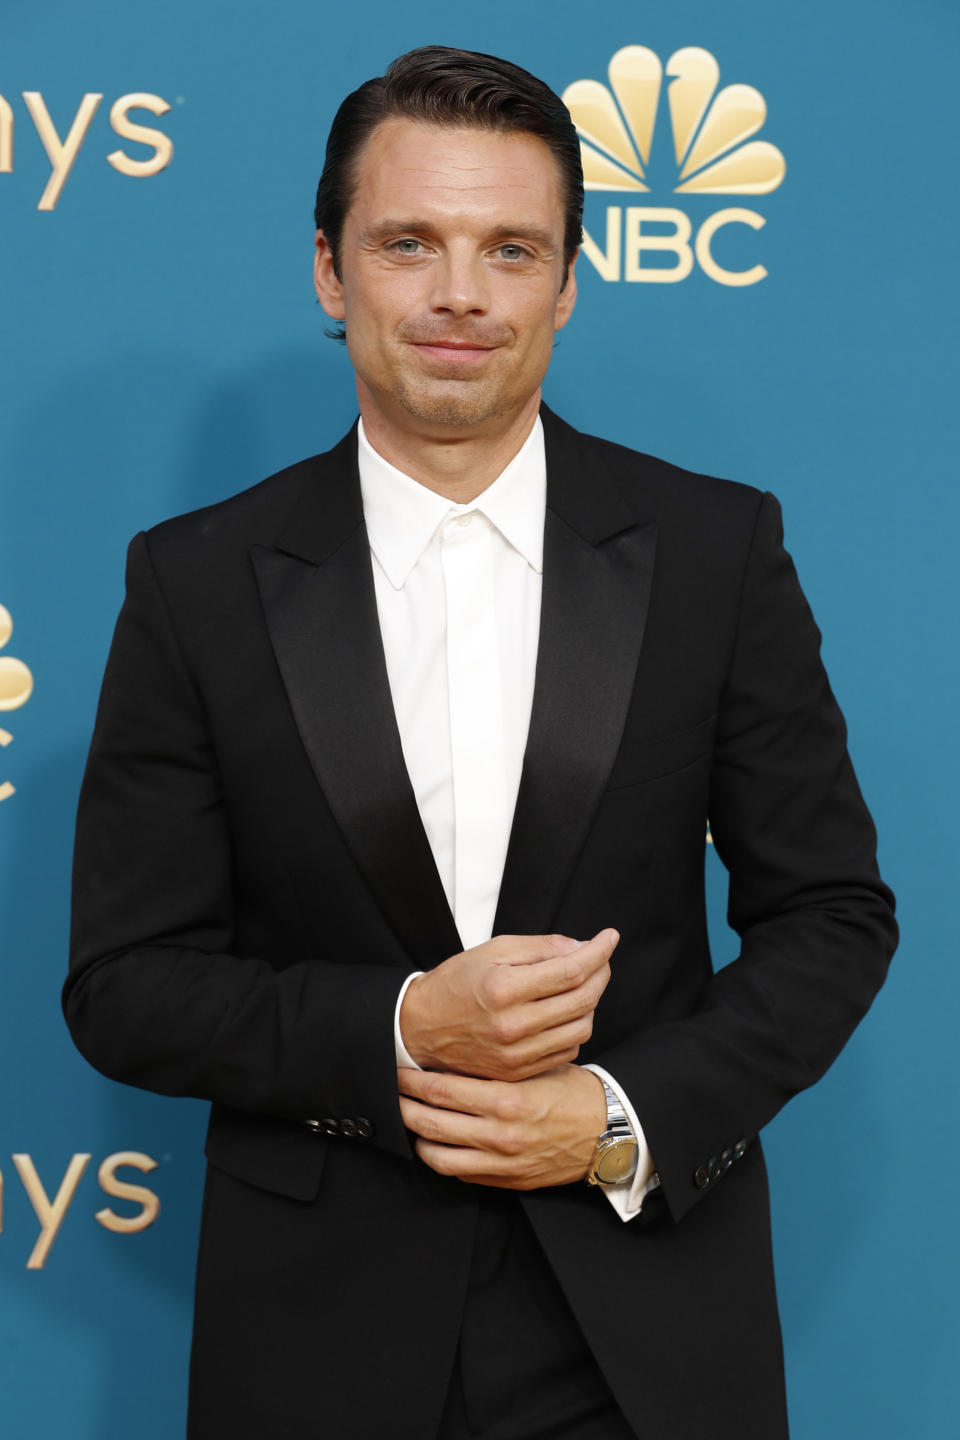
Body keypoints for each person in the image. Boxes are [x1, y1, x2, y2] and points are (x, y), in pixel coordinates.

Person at [64, 45, 897, 1440]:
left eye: (511, 249)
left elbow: (832, 916)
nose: (461, 293)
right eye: (411, 243)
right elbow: (126, 985)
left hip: (644, 1331)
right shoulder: (194, 583)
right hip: (314, 1341)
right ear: (331, 271)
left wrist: (621, 1113)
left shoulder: (714, 549)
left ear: (566, 283)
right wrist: (399, 1025)